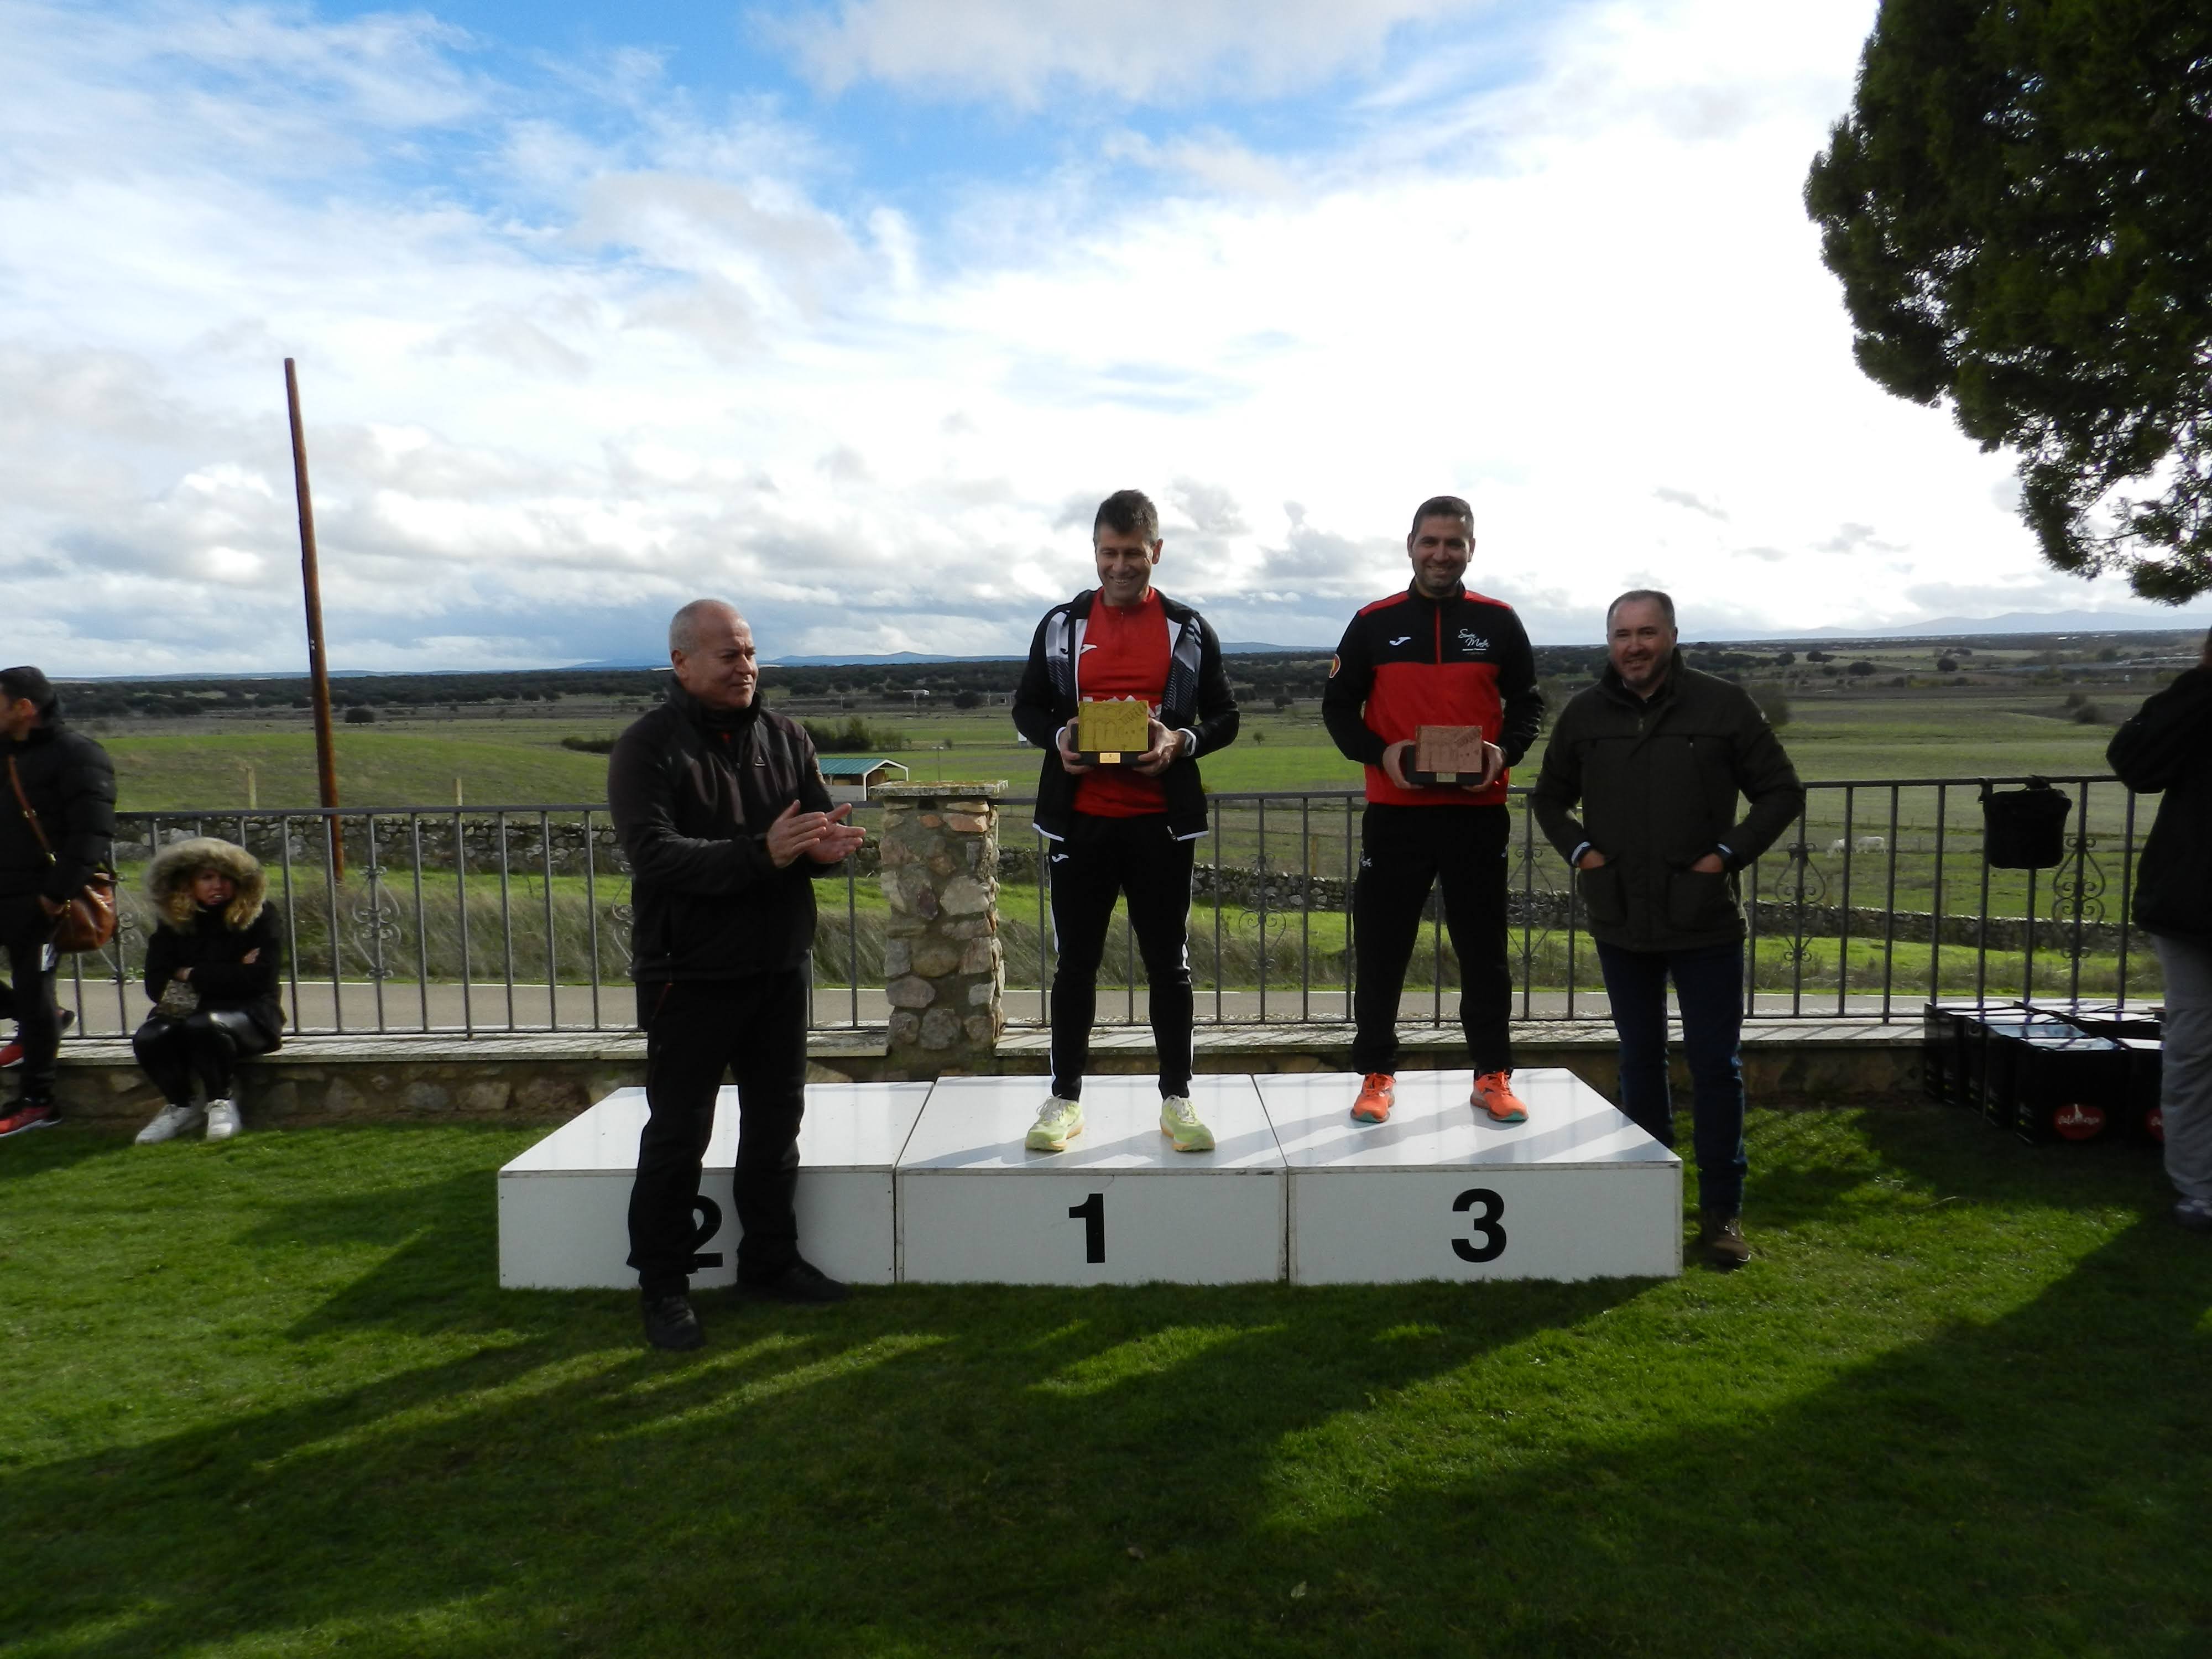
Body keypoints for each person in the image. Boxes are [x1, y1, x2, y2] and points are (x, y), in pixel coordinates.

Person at [608, 598, 867, 1350]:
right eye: (728, 656)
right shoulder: (647, 747)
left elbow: (808, 827)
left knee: (774, 1126)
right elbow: (653, 854)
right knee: (678, 1134)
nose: (745, 667)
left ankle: (771, 1262)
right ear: (681, 663)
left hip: (778, 966)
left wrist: (821, 849)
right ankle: (663, 1288)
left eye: (751, 653)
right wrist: (767, 852)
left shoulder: (787, 739)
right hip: (686, 974)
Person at [1530, 591, 1804, 1267]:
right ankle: (1644, 1198)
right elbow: (1548, 797)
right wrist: (1581, 854)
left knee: (1716, 1067)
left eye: (1647, 632)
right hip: (1619, 914)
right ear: (1608, 641)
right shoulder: (1586, 713)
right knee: (1638, 1061)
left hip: (1704, 916)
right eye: (1621, 634)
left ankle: (1721, 1213)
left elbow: (1781, 791)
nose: (1634, 646)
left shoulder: (1722, 704)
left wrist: (1727, 856)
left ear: (1673, 635)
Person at [1011, 489, 1240, 1155]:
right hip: (1080, 823)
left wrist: (1179, 743)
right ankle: (1063, 1099)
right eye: (1109, 554)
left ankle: (1178, 1098)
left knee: (1169, 966)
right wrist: (1057, 737)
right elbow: (1026, 708)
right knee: (1075, 967)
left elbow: (1226, 716)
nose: (1120, 566)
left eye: (1133, 554)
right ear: (1094, 552)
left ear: (1156, 553)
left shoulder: (1188, 629)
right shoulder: (1060, 625)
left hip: (1159, 826)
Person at [1321, 495, 1543, 1128]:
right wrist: (1379, 754)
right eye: (1431, 542)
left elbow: (1527, 704)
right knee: (1383, 947)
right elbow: (1338, 708)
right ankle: (1375, 1074)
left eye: (1454, 543)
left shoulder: (1499, 622)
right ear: (1411, 545)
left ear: (1471, 548)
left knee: (1484, 950)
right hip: (1397, 814)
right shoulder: (1373, 622)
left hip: (1477, 815)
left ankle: (1492, 1075)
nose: (1441, 553)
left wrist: (1505, 755)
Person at [2106, 631, 2212, 1235]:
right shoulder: (2200, 703)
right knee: (2195, 1048)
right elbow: (2135, 763)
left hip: (2186, 899)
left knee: (2194, 1049)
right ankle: (2200, 1189)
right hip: (2193, 904)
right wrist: (2203, 683)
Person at [0, 666, 115, 1139]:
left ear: (24, 707)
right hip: (3, 890)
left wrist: (55, 895)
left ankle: (38, 1101)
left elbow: (91, 833)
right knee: (32, 1000)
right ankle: (38, 1021)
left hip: (44, 898)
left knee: (34, 986)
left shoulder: (78, 754)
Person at [131, 838, 284, 1144]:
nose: (218, 886)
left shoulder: (260, 915)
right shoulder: (174, 922)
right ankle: (181, 1106)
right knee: (149, 1037)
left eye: (226, 877)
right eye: (207, 878)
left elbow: (259, 978)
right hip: (186, 1010)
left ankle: (221, 1103)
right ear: (188, 883)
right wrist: (231, 968)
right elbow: (156, 985)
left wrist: (189, 972)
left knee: (205, 1026)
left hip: (251, 1014)